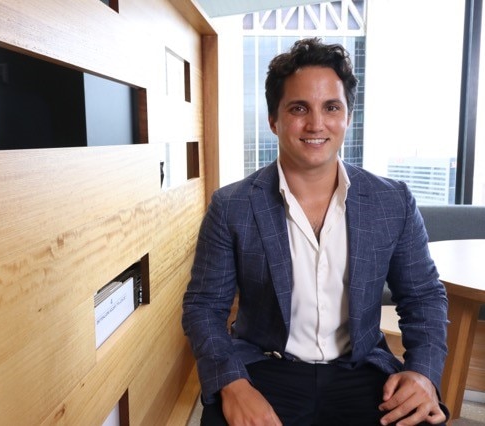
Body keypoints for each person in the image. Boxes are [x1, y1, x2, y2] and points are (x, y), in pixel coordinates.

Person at [181, 38, 449, 426]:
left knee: (425, 421)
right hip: (265, 369)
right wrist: (233, 384)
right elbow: (204, 307)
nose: (316, 124)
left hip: (360, 369)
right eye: (299, 108)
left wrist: (423, 373)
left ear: (348, 117)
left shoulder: (392, 201)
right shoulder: (231, 206)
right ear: (274, 120)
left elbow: (423, 296)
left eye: (331, 107)